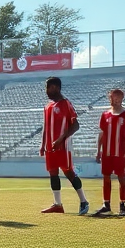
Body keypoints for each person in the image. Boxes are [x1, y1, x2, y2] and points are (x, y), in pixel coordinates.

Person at [39, 76, 89, 215]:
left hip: (63, 147)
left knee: (69, 172)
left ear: (56, 87)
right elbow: (46, 127)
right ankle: (58, 204)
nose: (47, 91)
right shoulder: (48, 106)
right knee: (53, 173)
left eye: (48, 88)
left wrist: (60, 139)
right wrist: (43, 144)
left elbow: (75, 125)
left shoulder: (65, 103)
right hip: (50, 147)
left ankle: (84, 201)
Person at [93, 88, 125, 217]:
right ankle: (106, 204)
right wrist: (98, 150)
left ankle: (122, 205)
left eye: (117, 98)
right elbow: (101, 133)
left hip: (120, 153)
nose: (114, 101)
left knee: (121, 178)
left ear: (121, 99)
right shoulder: (105, 115)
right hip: (107, 153)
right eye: (112, 98)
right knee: (106, 177)